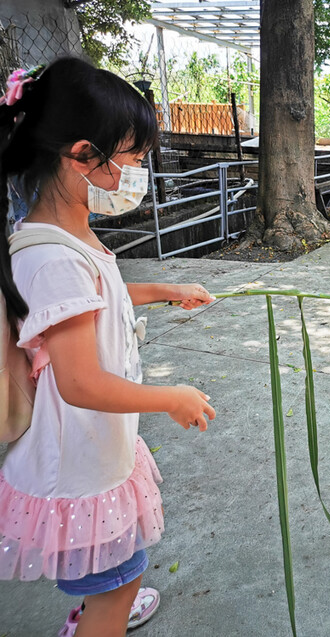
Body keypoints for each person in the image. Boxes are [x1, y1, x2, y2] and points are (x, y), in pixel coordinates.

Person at [0, 57, 217, 636]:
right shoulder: (52, 257)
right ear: (81, 155)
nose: (136, 171)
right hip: (81, 464)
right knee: (116, 579)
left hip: (90, 449)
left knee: (112, 573)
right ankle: (100, 620)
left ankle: (100, 606)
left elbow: (98, 295)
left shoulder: (64, 227)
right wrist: (169, 396)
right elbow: (80, 382)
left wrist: (163, 290)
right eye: (132, 157)